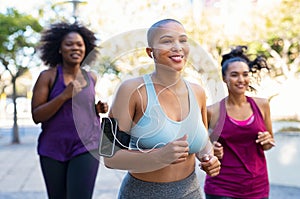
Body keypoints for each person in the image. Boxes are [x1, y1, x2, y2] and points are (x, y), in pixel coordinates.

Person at [102, 18, 221, 199]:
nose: (177, 46)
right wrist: (157, 157)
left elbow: (202, 142)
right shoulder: (129, 90)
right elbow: (108, 156)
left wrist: (209, 158)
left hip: (191, 192)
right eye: (167, 41)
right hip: (142, 194)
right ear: (151, 52)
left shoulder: (198, 92)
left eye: (183, 40)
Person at [31, 22, 108, 199]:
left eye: (79, 44)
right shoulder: (48, 76)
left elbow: (83, 110)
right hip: (53, 148)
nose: (75, 48)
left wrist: (97, 109)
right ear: (59, 49)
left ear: (86, 49)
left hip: (86, 146)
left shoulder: (91, 77)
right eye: (69, 44)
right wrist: (64, 96)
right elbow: (37, 116)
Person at [204, 45, 275, 199]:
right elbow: (201, 149)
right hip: (222, 188)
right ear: (224, 78)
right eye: (235, 75)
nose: (241, 80)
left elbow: (268, 144)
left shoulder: (262, 105)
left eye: (245, 74)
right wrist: (211, 150)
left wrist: (267, 140)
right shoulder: (212, 111)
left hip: (257, 186)